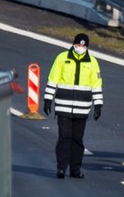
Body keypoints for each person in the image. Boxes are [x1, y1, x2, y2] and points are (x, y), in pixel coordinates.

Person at [43, 33, 104, 179]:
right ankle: (61, 168)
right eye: (78, 45)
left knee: (77, 139)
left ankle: (75, 170)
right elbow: (53, 79)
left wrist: (98, 105)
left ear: (87, 47)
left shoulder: (93, 62)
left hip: (82, 108)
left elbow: (96, 85)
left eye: (83, 46)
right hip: (63, 107)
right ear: (73, 44)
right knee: (64, 137)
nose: (80, 48)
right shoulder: (62, 58)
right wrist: (47, 100)